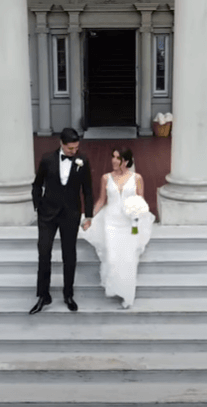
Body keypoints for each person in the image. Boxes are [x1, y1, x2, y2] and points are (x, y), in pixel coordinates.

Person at [30, 128, 93, 315]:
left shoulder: (84, 161)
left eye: (76, 148)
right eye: (71, 148)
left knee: (69, 255)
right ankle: (43, 295)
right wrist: (37, 206)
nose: (74, 152)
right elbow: (37, 184)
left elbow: (88, 190)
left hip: (70, 214)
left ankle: (68, 294)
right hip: (47, 214)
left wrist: (88, 215)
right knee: (44, 252)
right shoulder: (47, 159)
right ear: (62, 144)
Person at [82, 147, 155, 308]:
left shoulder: (137, 178)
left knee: (128, 258)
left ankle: (127, 295)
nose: (114, 161)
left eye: (118, 158)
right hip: (111, 221)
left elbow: (139, 202)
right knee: (113, 257)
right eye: (113, 157)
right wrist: (89, 218)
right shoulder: (105, 178)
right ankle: (114, 287)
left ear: (126, 161)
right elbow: (102, 200)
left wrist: (136, 226)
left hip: (129, 223)